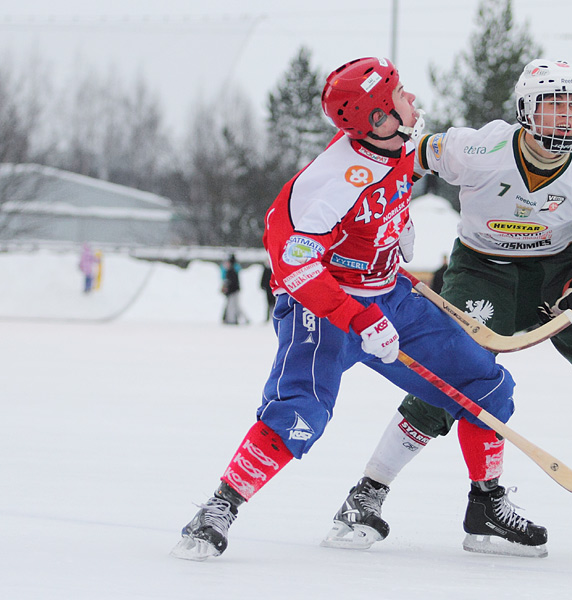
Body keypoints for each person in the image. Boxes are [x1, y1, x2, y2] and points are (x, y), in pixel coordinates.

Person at [171, 57, 540, 561]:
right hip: (322, 307)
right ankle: (218, 508)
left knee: (485, 385)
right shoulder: (332, 179)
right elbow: (294, 266)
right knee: (300, 413)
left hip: (388, 296)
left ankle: (485, 506)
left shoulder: (399, 147)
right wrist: (357, 316)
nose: (413, 101)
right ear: (380, 120)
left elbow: (383, 208)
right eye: (401, 96)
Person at [330, 59, 572, 559]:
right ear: (525, 111)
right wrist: (391, 216)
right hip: (483, 269)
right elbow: (403, 157)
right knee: (451, 379)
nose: (564, 121)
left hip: (560, 272)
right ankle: (368, 492)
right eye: (552, 108)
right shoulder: (478, 148)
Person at [220, 254, 246, 325]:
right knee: (234, 306)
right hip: (232, 291)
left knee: (233, 306)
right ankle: (235, 319)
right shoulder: (231, 271)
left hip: (233, 292)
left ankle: (232, 319)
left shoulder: (232, 271)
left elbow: (232, 283)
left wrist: (228, 290)